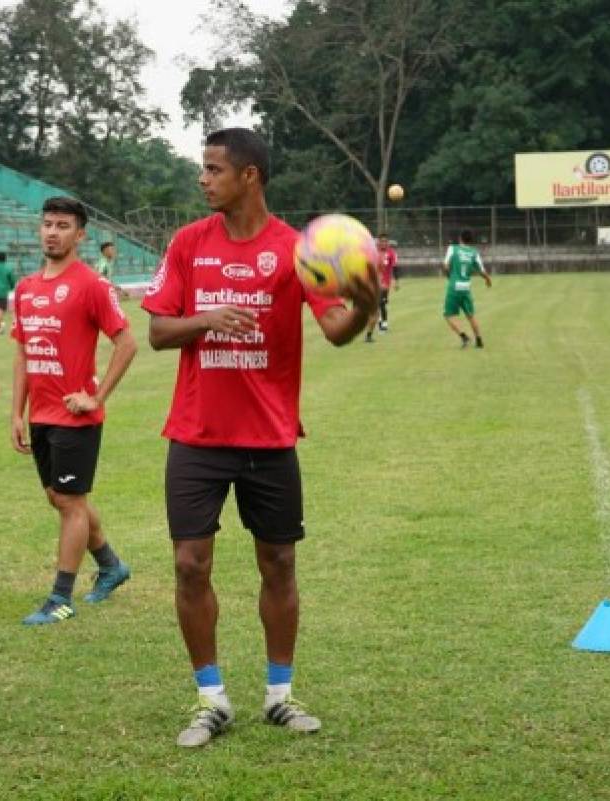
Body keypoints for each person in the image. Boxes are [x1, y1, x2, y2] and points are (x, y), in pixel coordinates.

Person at [141, 128, 378, 748]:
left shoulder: (294, 251)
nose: (204, 179)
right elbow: (160, 333)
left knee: (279, 563)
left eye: (214, 169)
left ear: (250, 176)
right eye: (205, 168)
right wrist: (208, 318)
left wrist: (368, 301)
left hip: (270, 437)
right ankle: (211, 700)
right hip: (196, 434)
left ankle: (279, 695)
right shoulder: (190, 243)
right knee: (190, 564)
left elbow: (336, 329)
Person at [11, 197, 138, 626]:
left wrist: (96, 398)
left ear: (79, 235)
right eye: (47, 224)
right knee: (62, 499)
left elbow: (127, 343)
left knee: (69, 501)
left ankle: (60, 597)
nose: (52, 232)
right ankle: (111, 565)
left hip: (76, 416)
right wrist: (16, 412)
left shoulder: (91, 285)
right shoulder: (26, 288)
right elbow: (24, 352)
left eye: (63, 226)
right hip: (41, 414)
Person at [441, 229, 491, 348]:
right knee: (470, 315)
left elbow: (445, 265)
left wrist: (449, 276)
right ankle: (479, 340)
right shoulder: (474, 252)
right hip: (466, 287)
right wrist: (488, 279)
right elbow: (481, 271)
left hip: (454, 286)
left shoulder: (453, 248)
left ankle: (464, 337)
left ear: (460, 238)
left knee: (448, 315)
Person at [365, 233, 399, 343]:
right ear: (378, 242)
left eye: (385, 241)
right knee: (379, 305)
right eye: (381, 241)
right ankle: (381, 325)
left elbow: (395, 268)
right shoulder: (373, 253)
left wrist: (396, 281)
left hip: (385, 284)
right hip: (374, 284)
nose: (383, 243)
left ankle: (382, 324)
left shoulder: (391, 253)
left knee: (382, 303)